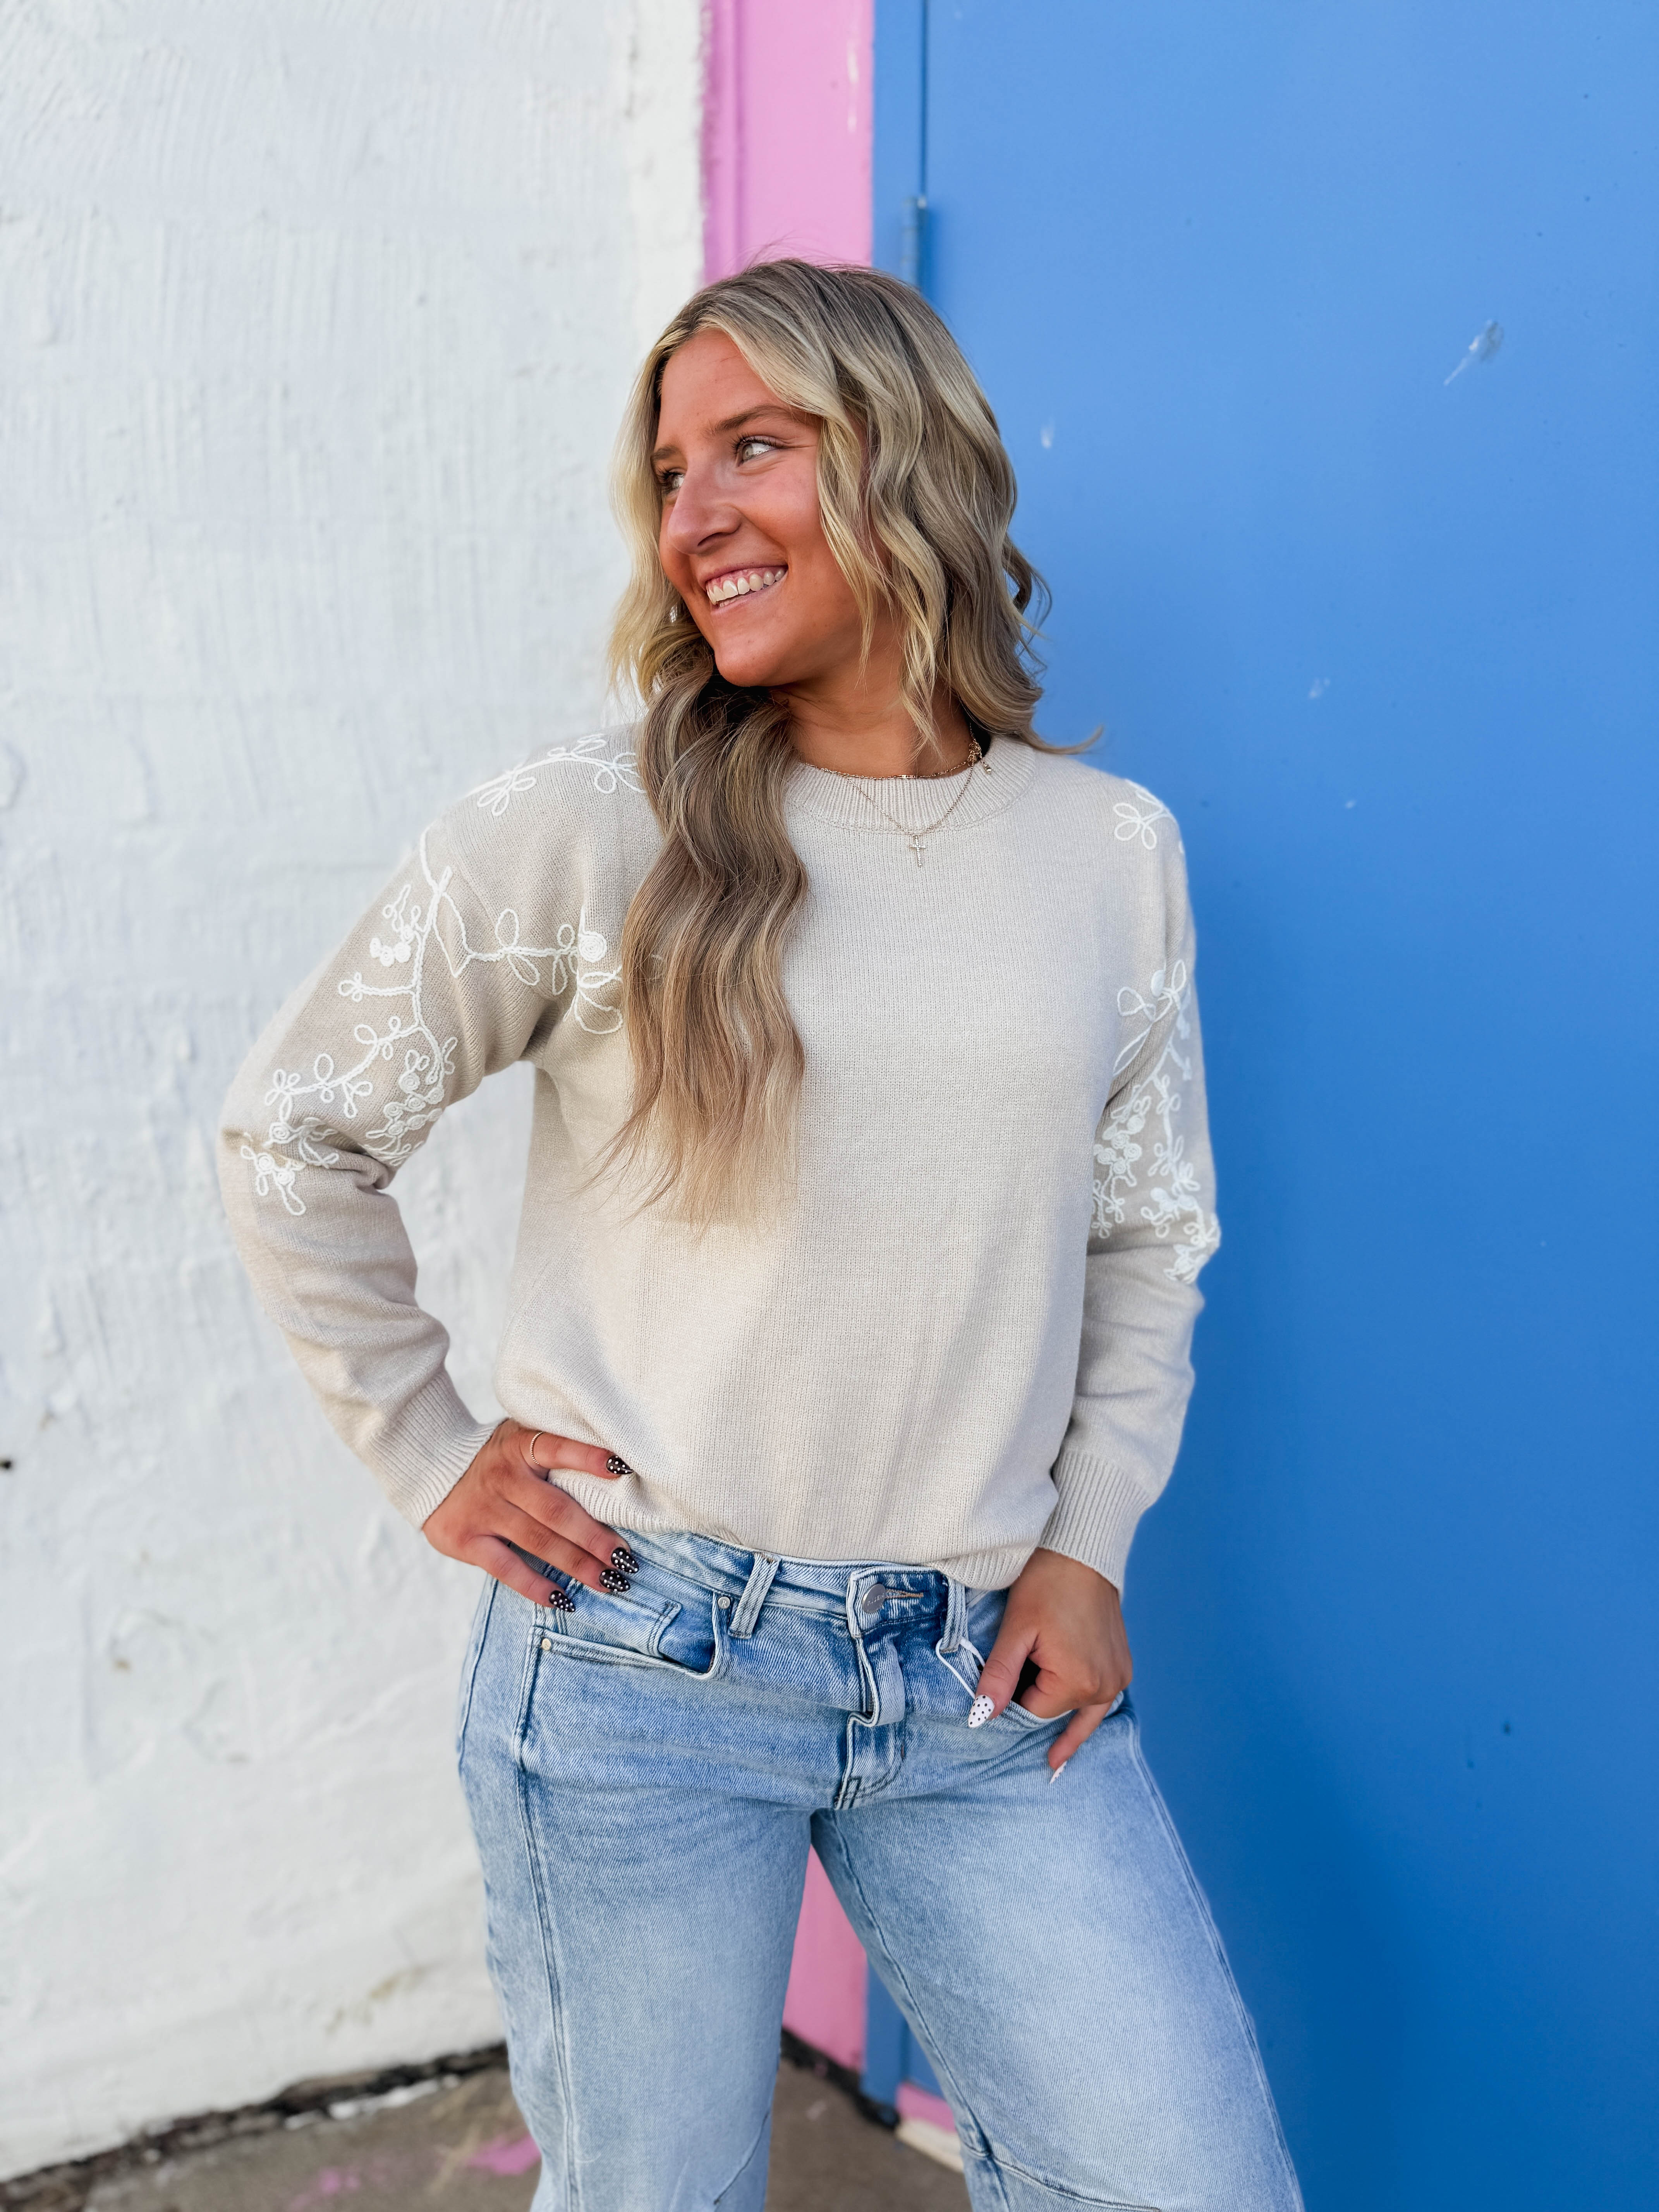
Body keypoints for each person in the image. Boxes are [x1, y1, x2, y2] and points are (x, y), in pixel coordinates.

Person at [220, 258, 1300, 2212]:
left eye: (754, 449)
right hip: (640, 1662)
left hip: (977, 1674)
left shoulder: (1108, 853)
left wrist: (1088, 1544)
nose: (694, 515)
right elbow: (292, 1131)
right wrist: (430, 1449)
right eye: (670, 473)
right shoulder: (590, 826)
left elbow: (1147, 1241)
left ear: (907, 459)